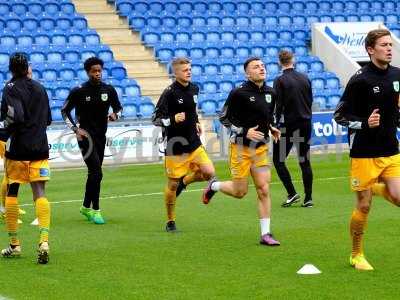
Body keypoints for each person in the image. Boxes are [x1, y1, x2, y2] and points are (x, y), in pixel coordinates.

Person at [334, 29, 400, 271]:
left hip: (391, 150)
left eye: (390, 44)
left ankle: (377, 187)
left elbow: (397, 110)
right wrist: (364, 123)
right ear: (371, 50)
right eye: (384, 45)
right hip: (364, 152)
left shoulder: (397, 75)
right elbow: (339, 115)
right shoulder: (360, 79)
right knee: (363, 206)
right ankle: (356, 254)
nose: (389, 48)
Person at [202, 57, 281, 246]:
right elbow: (224, 118)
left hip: (260, 148)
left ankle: (266, 234)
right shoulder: (238, 93)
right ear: (247, 73)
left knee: (263, 189)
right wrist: (245, 131)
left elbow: (268, 115)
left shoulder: (271, 92)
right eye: (256, 67)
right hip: (240, 148)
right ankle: (214, 186)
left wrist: (272, 127)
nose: (261, 68)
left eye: (262, 66)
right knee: (240, 192)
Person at [152, 57, 215, 232]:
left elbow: (192, 109)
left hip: (193, 142)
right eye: (185, 70)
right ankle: (170, 221)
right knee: (172, 186)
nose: (189, 72)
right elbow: (155, 119)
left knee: (209, 172)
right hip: (175, 145)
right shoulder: (169, 92)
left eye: (190, 69)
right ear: (176, 73)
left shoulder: (195, 88)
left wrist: (195, 121)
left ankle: (185, 181)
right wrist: (172, 119)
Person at [0, 53, 52, 264]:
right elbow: (48, 119)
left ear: (11, 68)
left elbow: (15, 116)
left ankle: (15, 244)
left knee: (13, 190)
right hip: (39, 146)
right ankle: (44, 242)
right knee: (39, 192)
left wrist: (1, 129)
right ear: (27, 67)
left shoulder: (10, 88)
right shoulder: (40, 87)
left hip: (19, 148)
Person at [61, 57, 122, 225]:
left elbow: (119, 108)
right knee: (97, 172)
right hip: (85, 137)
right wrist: (75, 129)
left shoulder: (108, 90)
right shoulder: (79, 91)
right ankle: (96, 210)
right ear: (88, 72)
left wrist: (115, 115)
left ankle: (85, 206)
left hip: (101, 136)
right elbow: (64, 111)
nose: (97, 73)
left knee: (94, 173)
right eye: (94, 71)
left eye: (99, 70)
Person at [272, 50, 314, 208]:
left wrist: (275, 125)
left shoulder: (280, 80)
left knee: (278, 160)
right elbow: (310, 100)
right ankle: (308, 198)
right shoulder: (305, 78)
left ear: (279, 62)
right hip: (305, 123)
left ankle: (292, 193)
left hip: (288, 125)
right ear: (293, 60)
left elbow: (279, 105)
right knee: (304, 160)